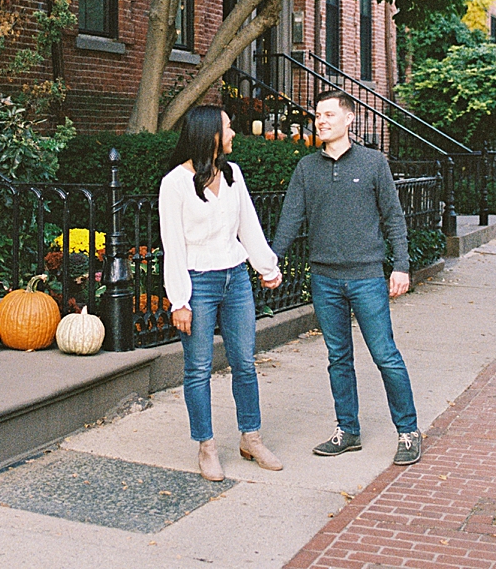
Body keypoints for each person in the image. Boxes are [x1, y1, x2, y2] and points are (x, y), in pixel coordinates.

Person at [271, 89, 422, 467]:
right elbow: (290, 220)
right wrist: (271, 262)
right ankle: (347, 430)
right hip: (324, 279)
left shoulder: (373, 163)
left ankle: (408, 431)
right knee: (338, 357)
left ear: (349, 118)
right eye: (317, 116)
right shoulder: (307, 168)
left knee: (385, 356)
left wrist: (401, 265)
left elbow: (393, 218)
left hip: (367, 276)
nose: (321, 121)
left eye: (328, 115)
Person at [159, 105, 285, 482]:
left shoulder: (233, 174)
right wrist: (179, 300)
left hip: (235, 280)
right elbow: (173, 246)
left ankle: (251, 438)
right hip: (198, 283)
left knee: (244, 362)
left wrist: (267, 267)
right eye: (228, 128)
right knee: (198, 369)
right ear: (210, 134)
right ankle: (207, 447)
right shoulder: (175, 184)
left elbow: (249, 224)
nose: (234, 133)